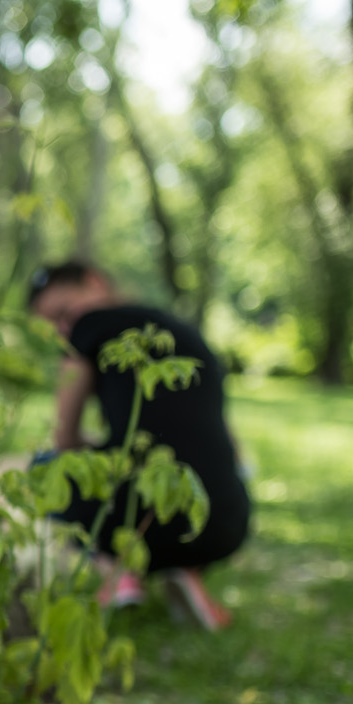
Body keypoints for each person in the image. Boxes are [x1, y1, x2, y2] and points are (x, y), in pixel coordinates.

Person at [26, 259, 251, 631]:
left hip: (134, 515)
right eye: (53, 327)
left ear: (94, 281)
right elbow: (226, 442)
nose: (63, 330)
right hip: (224, 524)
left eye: (63, 313)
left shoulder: (90, 327)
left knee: (45, 467)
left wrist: (93, 446)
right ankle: (186, 568)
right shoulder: (185, 331)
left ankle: (117, 573)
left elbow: (64, 439)